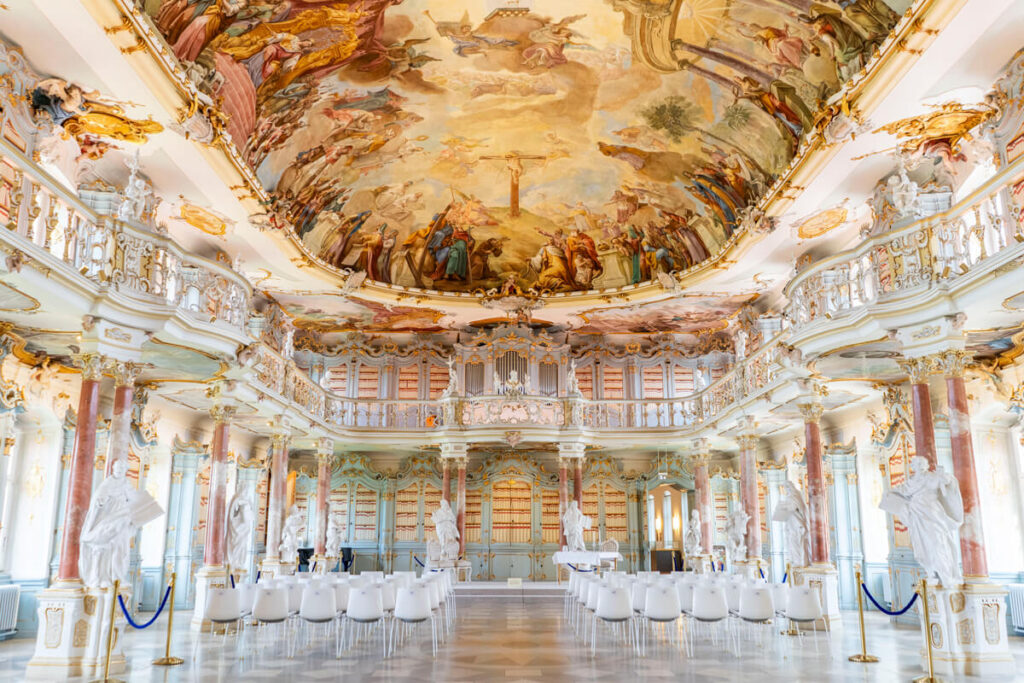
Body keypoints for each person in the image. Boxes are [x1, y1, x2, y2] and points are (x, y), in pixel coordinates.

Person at [880, 455, 964, 587]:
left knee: (938, 543)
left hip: (932, 512)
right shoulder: (912, 480)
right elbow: (902, 489)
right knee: (921, 544)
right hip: (917, 515)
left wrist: (943, 476)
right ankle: (931, 572)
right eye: (915, 464)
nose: (918, 466)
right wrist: (888, 492)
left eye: (920, 464)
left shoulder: (931, 477)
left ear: (925, 465)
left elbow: (946, 482)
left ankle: (946, 575)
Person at [772, 481, 809, 568]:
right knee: (792, 541)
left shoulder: (795, 495)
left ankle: (799, 561)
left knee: (796, 541)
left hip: (797, 523)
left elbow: (794, 506)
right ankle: (796, 560)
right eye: (785, 488)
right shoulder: (790, 497)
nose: (786, 490)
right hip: (791, 522)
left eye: (787, 488)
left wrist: (783, 507)